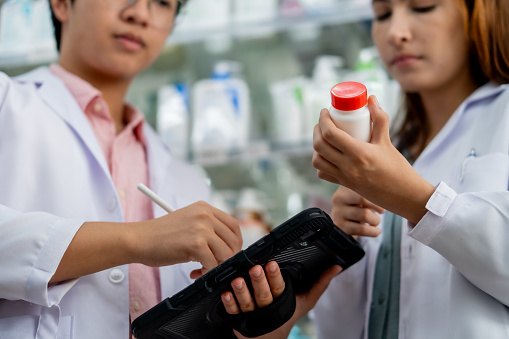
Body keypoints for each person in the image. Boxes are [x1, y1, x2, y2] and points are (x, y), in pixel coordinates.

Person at [0, 0, 247, 337]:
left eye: (162, 3)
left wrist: (274, 313)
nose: (140, 14)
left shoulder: (186, 178)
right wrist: (138, 239)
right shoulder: (7, 104)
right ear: (60, 4)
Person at [311, 0, 509, 338]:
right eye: (382, 15)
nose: (396, 33)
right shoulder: (391, 149)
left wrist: (416, 200)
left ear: (479, 12)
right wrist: (343, 239)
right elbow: (336, 330)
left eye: (423, 7)